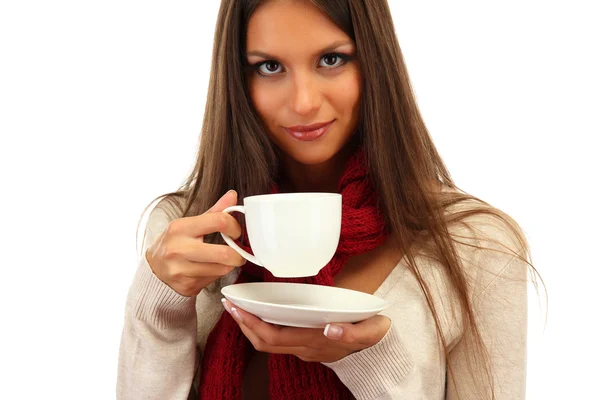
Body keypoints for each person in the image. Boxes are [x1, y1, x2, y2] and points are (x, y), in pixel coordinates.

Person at [117, 0, 544, 399]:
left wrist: (372, 362)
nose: (303, 102)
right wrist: (160, 307)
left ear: (375, 64)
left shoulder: (476, 245)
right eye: (269, 66)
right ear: (237, 79)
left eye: (331, 60)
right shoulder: (188, 231)